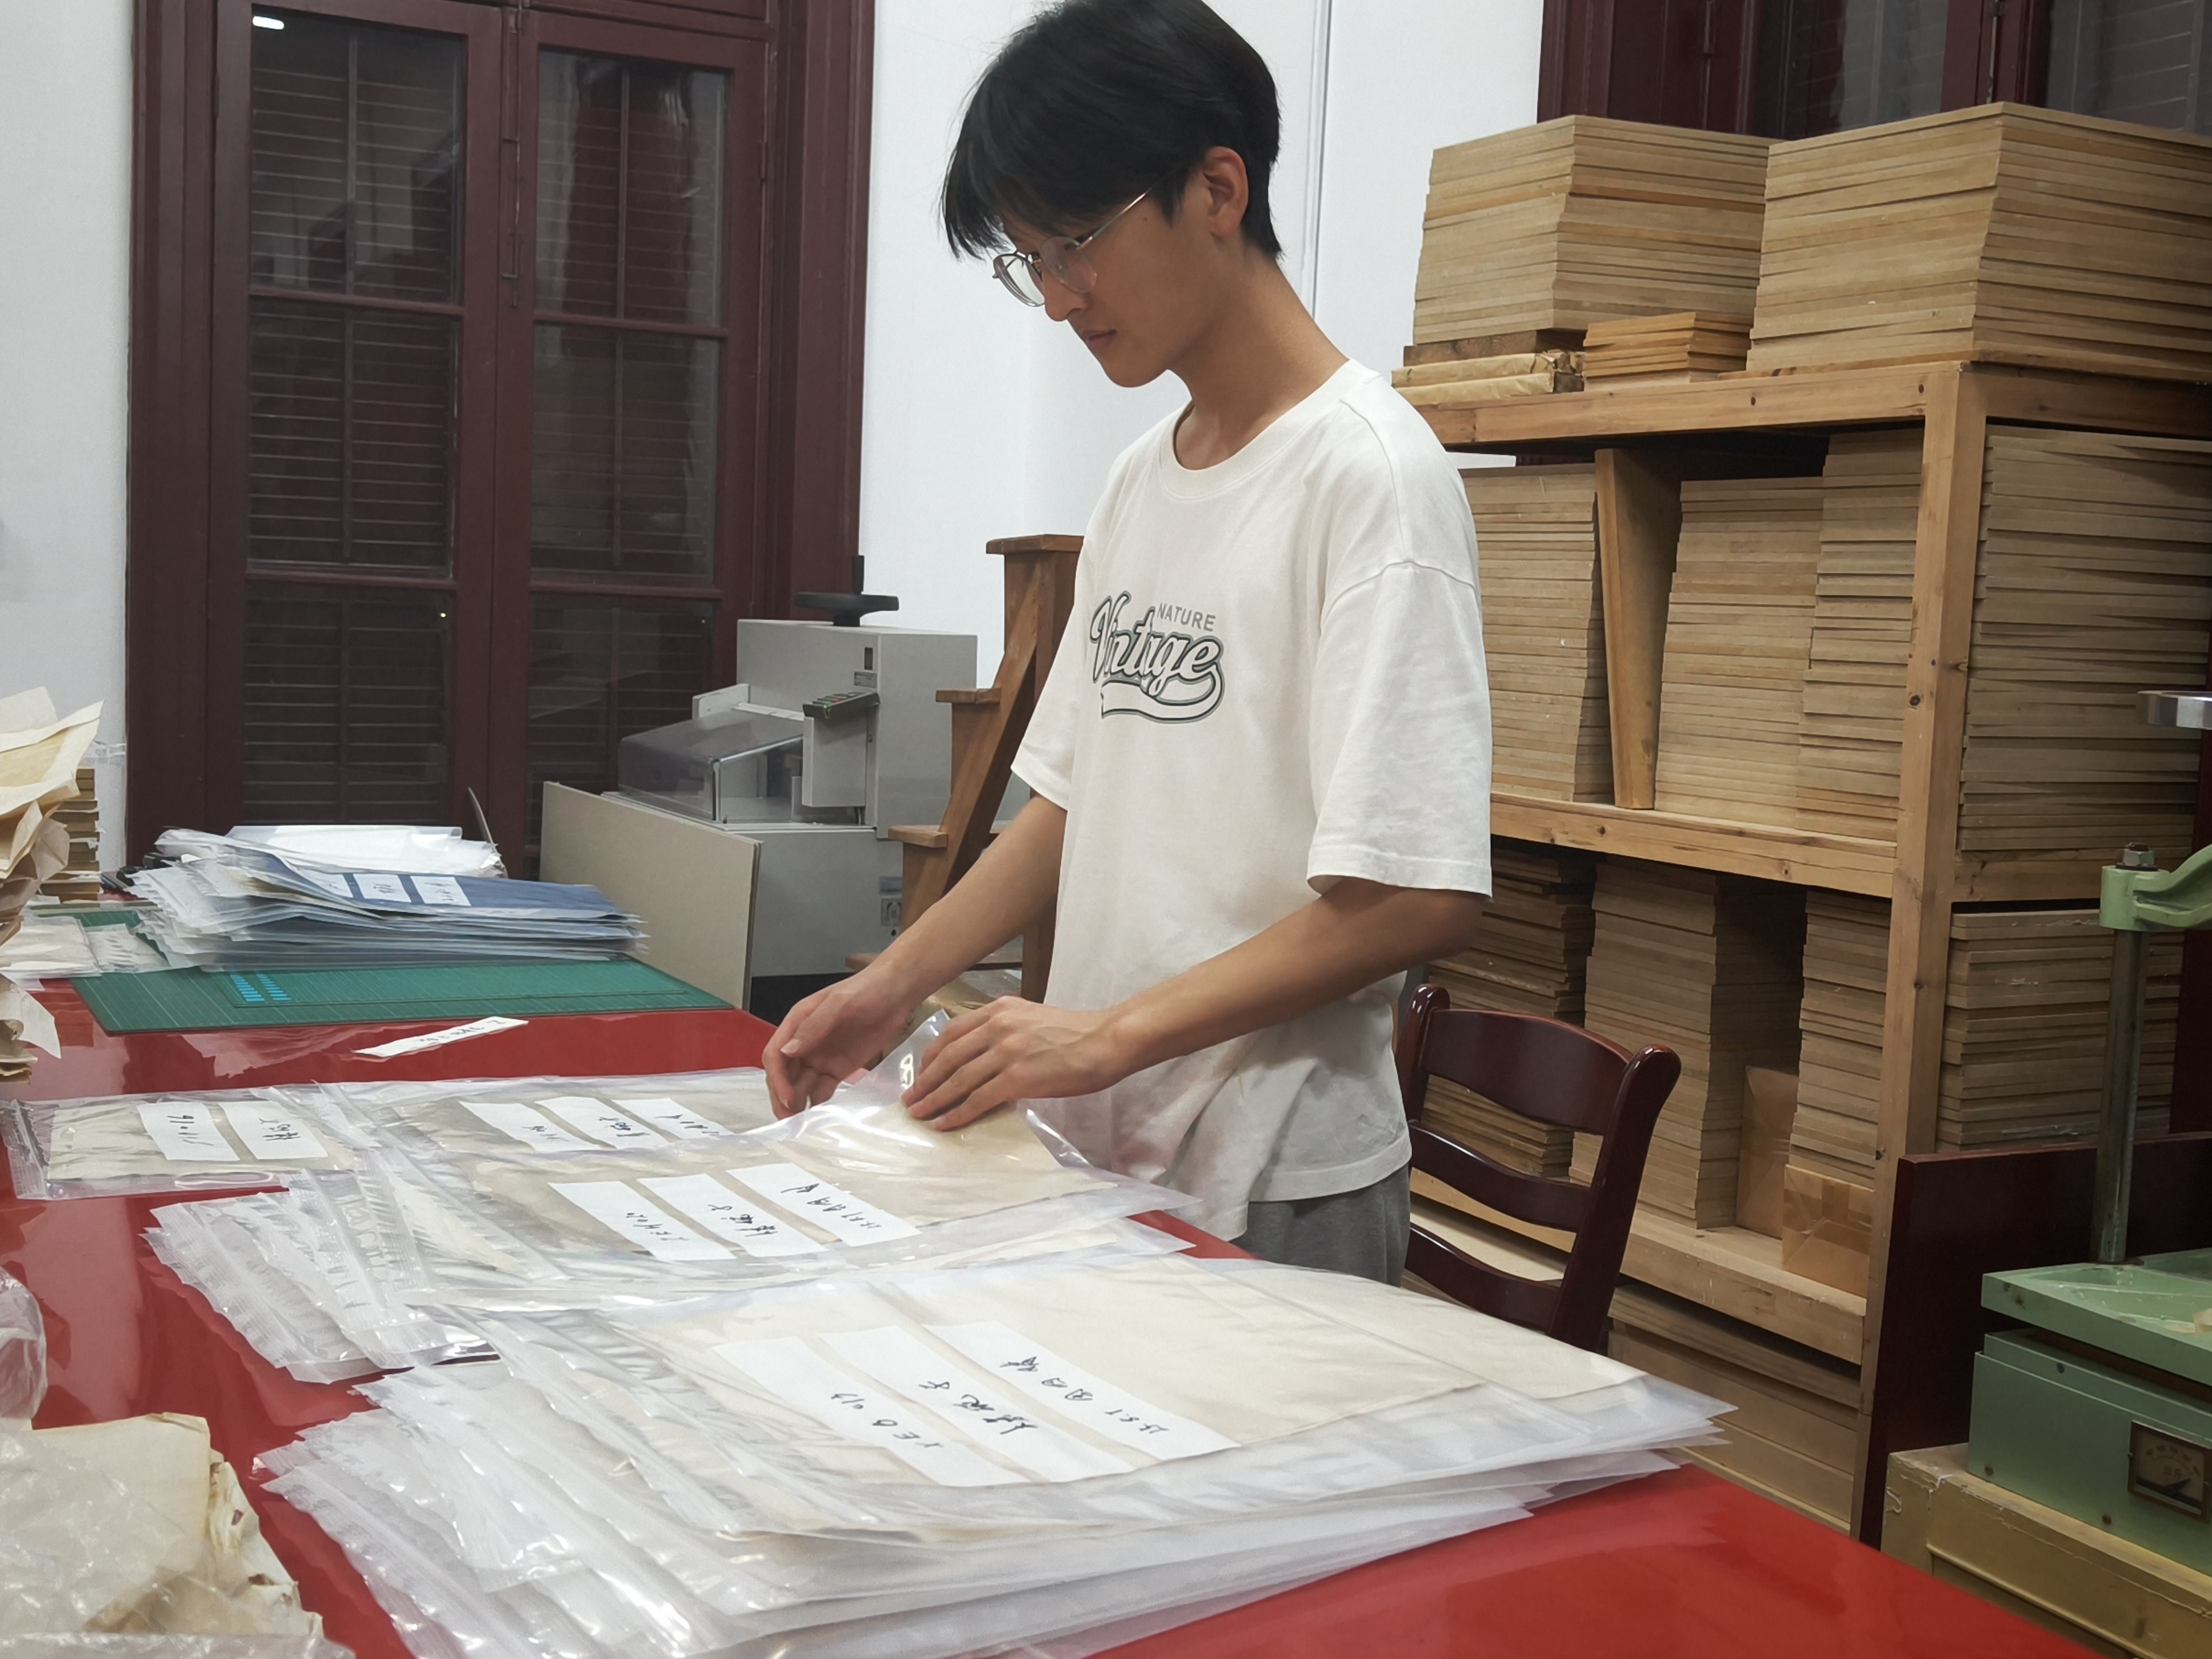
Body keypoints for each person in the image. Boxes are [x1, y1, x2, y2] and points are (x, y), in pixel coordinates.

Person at [763, 0, 1492, 1284]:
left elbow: (1414, 894)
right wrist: (892, 985)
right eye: (1029, 261)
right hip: (1102, 1153)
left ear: (1217, 189)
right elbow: (1068, 806)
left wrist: (1106, 1035)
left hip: (1274, 1179)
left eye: (1075, 246)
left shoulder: (1370, 480)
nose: (1057, 299)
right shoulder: (1142, 478)